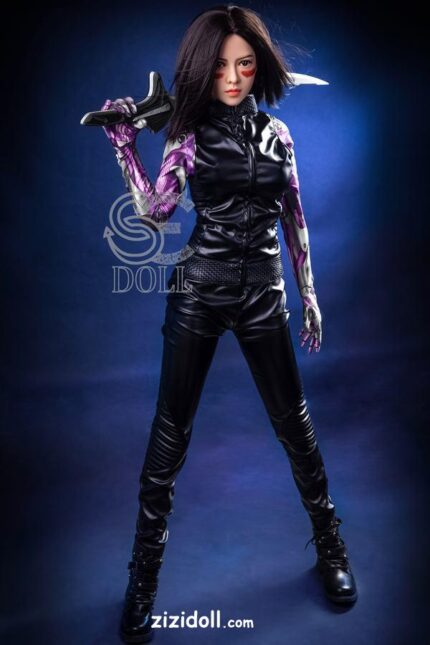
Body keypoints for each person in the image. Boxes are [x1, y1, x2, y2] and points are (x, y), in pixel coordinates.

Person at [100, 5, 357, 642]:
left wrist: (309, 293)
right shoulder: (187, 134)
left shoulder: (279, 135)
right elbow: (156, 211)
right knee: (169, 438)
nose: (235, 78)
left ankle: (331, 547)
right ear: (203, 69)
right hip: (200, 293)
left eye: (245, 65)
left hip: (264, 292)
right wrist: (124, 145)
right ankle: (142, 579)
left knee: (295, 425)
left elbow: (294, 214)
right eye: (221, 66)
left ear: (258, 67)